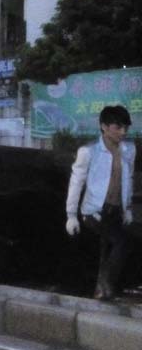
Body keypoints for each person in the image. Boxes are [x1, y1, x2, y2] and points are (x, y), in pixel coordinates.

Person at [65, 105, 136, 300]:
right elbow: (76, 182)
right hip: (93, 212)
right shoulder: (89, 152)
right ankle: (105, 285)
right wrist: (71, 215)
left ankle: (103, 289)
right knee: (121, 242)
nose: (123, 132)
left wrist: (128, 208)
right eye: (118, 127)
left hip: (116, 210)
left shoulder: (128, 150)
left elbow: (128, 178)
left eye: (125, 128)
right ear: (104, 127)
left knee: (115, 246)